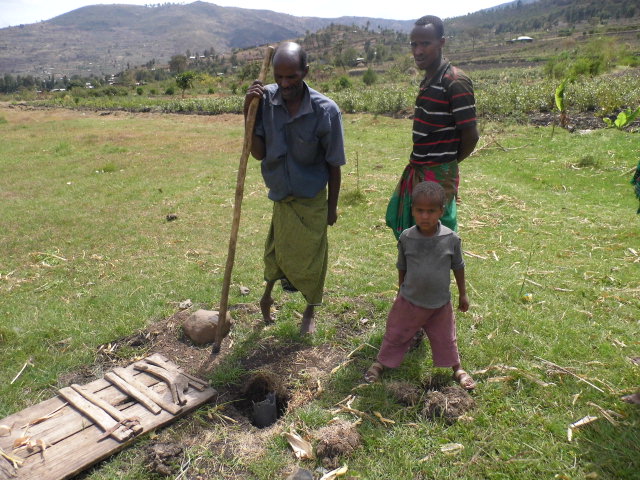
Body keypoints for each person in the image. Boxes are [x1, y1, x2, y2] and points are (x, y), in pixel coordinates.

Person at [244, 42, 346, 335]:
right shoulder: (265, 101)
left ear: (306, 72)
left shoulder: (325, 111)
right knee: (276, 253)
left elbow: (333, 165)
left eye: (292, 77)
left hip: (311, 196)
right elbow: (259, 153)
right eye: (279, 77)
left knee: (313, 257)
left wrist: (331, 207)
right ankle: (266, 299)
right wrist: (246, 113)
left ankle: (310, 311)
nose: (285, 84)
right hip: (281, 195)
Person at [365, 181, 476, 390]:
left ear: (442, 211)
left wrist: (463, 294)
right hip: (410, 301)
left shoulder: (451, 239)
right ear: (412, 210)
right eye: (420, 210)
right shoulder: (407, 238)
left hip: (440, 303)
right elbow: (402, 266)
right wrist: (400, 291)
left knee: (446, 337)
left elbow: (458, 266)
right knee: (396, 332)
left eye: (431, 211)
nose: (425, 216)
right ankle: (380, 363)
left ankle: (457, 368)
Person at [386, 15, 479, 239]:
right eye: (414, 44)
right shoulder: (429, 79)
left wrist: (446, 165)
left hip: (438, 173)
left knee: (439, 236)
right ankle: (416, 274)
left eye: (425, 44)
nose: (418, 51)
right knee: (413, 233)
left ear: (442, 42)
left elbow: (471, 136)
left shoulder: (454, 81)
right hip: (418, 168)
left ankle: (438, 274)